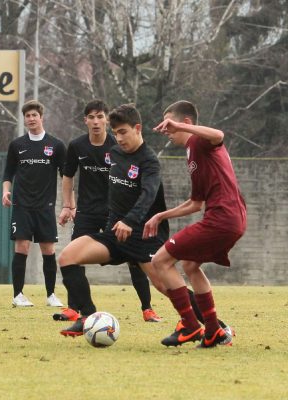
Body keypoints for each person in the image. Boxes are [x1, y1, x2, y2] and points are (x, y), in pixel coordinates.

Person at [57, 103, 172, 337]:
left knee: (166, 287)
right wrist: (71, 206)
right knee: (68, 257)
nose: (118, 138)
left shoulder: (149, 161)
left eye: (123, 132)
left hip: (141, 237)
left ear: (137, 128)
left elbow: (148, 195)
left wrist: (130, 220)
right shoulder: (115, 154)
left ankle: (214, 325)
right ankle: (87, 316)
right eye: (116, 132)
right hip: (114, 233)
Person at [145, 100, 246, 348]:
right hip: (229, 218)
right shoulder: (192, 152)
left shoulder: (200, 141)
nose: (167, 130)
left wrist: (181, 125)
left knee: (160, 261)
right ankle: (213, 332)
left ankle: (190, 325)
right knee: (190, 265)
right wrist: (160, 215)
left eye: (170, 124)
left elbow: (219, 135)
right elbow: (195, 203)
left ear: (186, 123)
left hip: (223, 218)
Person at [2, 100, 66, 308]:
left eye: (34, 115)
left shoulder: (56, 145)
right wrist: (6, 192)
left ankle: (51, 295)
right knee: (22, 247)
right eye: (27, 116)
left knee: (48, 249)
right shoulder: (17, 145)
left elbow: (66, 176)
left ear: (41, 117)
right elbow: (8, 172)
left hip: (45, 206)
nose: (30, 119)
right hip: (21, 205)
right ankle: (17, 295)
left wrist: (68, 203)